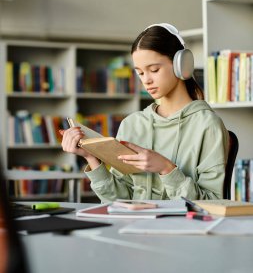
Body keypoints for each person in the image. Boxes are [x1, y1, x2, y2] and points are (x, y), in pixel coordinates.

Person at [60, 23, 229, 202]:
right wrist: (91, 158)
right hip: (134, 226)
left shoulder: (207, 125)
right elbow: (120, 201)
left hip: (183, 228)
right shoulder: (132, 124)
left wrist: (166, 169)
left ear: (182, 65)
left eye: (154, 70)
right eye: (140, 73)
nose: (146, 80)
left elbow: (213, 204)